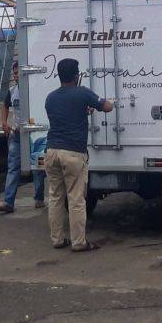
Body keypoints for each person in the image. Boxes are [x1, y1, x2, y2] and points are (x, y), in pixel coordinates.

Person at [44, 57, 113, 253]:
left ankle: (57, 239)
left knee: (55, 197)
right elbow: (107, 107)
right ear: (76, 76)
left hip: (51, 151)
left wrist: (84, 110)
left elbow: (67, 114)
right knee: (76, 199)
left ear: (59, 76)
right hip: (73, 153)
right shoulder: (82, 93)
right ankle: (79, 242)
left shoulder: (50, 98)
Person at [0, 61, 45, 213]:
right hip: (16, 136)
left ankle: (39, 198)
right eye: (15, 73)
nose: (17, 75)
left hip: (34, 135)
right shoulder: (12, 91)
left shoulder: (35, 91)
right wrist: (4, 122)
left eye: (19, 72)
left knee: (38, 167)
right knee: (13, 167)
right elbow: (5, 106)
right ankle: (8, 202)